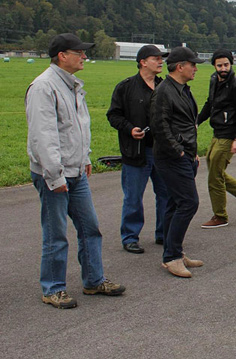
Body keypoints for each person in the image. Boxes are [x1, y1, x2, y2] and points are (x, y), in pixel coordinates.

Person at [25, 33, 125, 309]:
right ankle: (53, 288)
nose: (84, 57)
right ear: (62, 56)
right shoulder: (44, 87)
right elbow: (43, 137)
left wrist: (85, 158)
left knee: (90, 227)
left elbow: (76, 129)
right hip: (54, 175)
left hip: (76, 170)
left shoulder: (72, 86)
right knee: (56, 233)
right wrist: (54, 176)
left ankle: (94, 280)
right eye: (79, 52)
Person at [107, 45, 169, 254]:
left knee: (165, 194)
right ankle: (130, 237)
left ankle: (163, 233)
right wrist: (129, 129)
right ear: (142, 62)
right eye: (156, 58)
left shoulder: (165, 87)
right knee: (133, 196)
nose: (160, 62)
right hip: (136, 151)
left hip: (161, 151)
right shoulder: (125, 87)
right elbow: (113, 115)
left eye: (162, 59)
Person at [149, 46, 205, 278]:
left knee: (175, 204)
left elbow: (187, 124)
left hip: (185, 156)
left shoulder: (182, 90)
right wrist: (180, 152)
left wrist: (192, 153)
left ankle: (175, 252)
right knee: (189, 203)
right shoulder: (164, 91)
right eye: (192, 64)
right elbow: (159, 126)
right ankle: (171, 257)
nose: (195, 68)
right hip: (172, 158)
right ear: (180, 66)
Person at [197, 49, 236, 229]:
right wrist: (197, 121)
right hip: (217, 132)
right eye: (220, 65)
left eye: (226, 64)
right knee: (215, 171)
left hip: (229, 135)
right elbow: (209, 103)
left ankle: (220, 216)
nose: (223, 68)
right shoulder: (213, 80)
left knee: (214, 177)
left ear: (231, 64)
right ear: (214, 66)